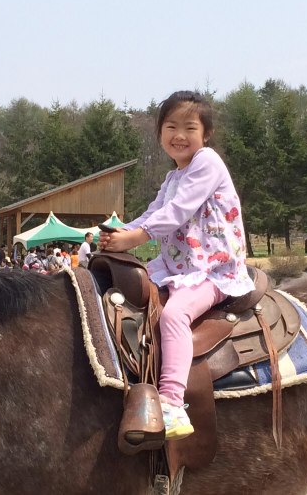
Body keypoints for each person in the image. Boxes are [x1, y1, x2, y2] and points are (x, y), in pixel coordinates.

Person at [99, 90, 254, 440]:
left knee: (174, 316)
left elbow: (178, 211)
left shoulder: (207, 162)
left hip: (212, 269)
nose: (179, 135)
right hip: (177, 268)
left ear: (206, 134)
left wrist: (136, 238)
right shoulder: (172, 178)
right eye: (170, 127)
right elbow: (152, 213)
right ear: (159, 133)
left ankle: (171, 402)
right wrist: (117, 232)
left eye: (189, 128)